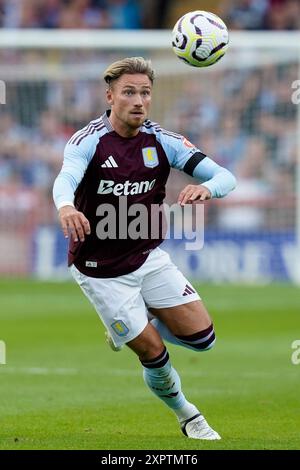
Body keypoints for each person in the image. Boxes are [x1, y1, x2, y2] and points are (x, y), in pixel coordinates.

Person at [53, 57, 236, 440]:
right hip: (99, 269)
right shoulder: (88, 141)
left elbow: (225, 176)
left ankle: (137, 322)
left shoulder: (162, 141)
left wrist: (207, 187)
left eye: (145, 93)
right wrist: (66, 206)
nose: (139, 100)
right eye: (129, 92)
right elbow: (66, 177)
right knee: (154, 353)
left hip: (148, 258)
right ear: (110, 96)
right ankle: (189, 416)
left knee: (204, 340)